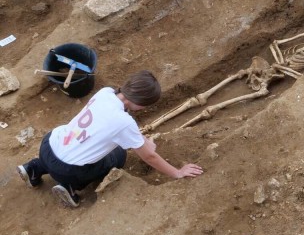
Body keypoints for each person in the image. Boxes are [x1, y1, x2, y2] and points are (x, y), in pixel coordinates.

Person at [17, 70, 203, 208]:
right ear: (139, 103)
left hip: (49, 144)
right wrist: (177, 172)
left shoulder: (105, 92)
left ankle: (33, 168)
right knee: (119, 155)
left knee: (66, 151)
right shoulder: (125, 122)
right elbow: (149, 157)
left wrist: (143, 141)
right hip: (67, 170)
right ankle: (69, 187)